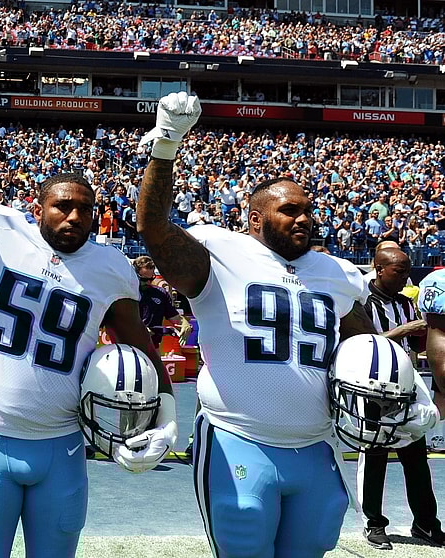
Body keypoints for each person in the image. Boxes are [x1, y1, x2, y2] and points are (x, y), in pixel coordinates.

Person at [0, 23, 177, 558]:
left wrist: (167, 419)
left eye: (85, 209)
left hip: (63, 443)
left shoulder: (108, 267)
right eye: (62, 206)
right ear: (38, 208)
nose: (74, 216)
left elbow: (141, 347)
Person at [136, 92, 385, 557]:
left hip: (316, 445)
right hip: (238, 438)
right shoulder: (220, 251)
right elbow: (152, 227)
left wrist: (412, 392)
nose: (304, 218)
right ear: (254, 219)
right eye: (289, 210)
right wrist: (166, 145)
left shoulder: (337, 274)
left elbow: (368, 348)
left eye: (308, 209)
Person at [359, 248, 444, 549]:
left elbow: (420, 342)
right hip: (373, 388)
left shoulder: (408, 302)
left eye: (408, 271)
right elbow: (362, 342)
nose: (405, 277)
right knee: (376, 456)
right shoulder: (363, 303)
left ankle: (425, 522)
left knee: (416, 457)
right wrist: (406, 329)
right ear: (379, 269)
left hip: (407, 385)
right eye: (399, 271)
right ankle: (374, 523)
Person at [133, 256, 191, 349]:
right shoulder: (127, 293)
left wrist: (184, 323)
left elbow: (175, 318)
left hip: (153, 347)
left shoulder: (160, 293)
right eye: (144, 280)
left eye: (151, 279)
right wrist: (138, 329)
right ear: (134, 275)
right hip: (130, 347)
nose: (148, 282)